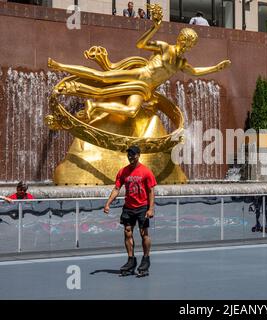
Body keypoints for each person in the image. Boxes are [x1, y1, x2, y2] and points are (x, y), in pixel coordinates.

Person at [48, 4, 230, 123]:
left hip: (144, 89)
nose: (187, 47)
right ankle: (60, 66)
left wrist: (216, 68)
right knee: (102, 77)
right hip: (140, 75)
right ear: (180, 39)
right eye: (186, 43)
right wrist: (155, 27)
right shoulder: (165, 47)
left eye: (190, 45)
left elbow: (196, 72)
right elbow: (140, 44)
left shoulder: (181, 62)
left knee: (132, 110)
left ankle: (94, 106)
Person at [104, 146, 157, 277]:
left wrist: (150, 209)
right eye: (129, 155)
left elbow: (151, 191)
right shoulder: (123, 172)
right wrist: (108, 203)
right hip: (128, 207)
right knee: (127, 232)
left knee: (144, 233)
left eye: (133, 155)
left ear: (138, 155)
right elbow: (116, 188)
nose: (130, 157)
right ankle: (131, 260)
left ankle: (146, 259)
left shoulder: (146, 171)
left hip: (142, 207)